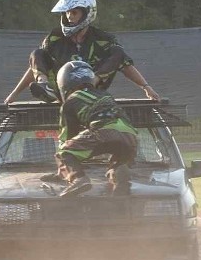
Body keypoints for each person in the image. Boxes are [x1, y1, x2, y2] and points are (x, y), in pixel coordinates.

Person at [4, 0, 160, 104]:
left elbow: (125, 65)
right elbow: (36, 65)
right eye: (67, 13)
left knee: (117, 51)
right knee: (37, 53)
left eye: (74, 13)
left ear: (87, 13)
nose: (69, 17)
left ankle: (90, 84)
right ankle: (46, 88)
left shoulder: (103, 39)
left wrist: (146, 87)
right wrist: (14, 94)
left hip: (93, 90)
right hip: (62, 90)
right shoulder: (55, 38)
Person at [54, 60, 138, 198]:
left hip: (103, 131)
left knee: (64, 152)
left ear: (65, 82)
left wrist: (64, 170)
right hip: (130, 135)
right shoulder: (104, 94)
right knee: (118, 165)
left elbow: (67, 136)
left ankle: (78, 179)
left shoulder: (71, 101)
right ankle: (120, 184)